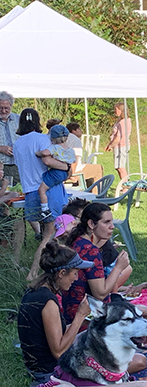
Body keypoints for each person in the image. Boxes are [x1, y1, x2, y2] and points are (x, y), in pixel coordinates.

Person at [17, 241, 93, 387]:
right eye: (75, 273)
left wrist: (85, 321)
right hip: (47, 372)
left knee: (92, 335)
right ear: (61, 273)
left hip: (37, 367)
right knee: (136, 362)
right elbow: (58, 352)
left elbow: (50, 334)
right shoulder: (48, 302)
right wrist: (79, 315)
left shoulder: (35, 291)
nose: (76, 278)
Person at [13, 108, 70, 281]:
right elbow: (48, 160)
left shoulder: (17, 143)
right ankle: (34, 274)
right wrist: (66, 167)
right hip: (49, 190)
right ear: (37, 121)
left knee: (49, 232)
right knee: (51, 234)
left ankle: (52, 270)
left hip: (30, 191)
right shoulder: (43, 139)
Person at [62, 203, 130, 324]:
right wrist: (118, 267)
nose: (112, 226)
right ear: (91, 224)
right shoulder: (90, 251)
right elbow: (100, 294)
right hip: (87, 320)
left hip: (71, 312)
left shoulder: (77, 241)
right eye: (106, 222)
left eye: (112, 222)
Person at [35, 124, 76, 220]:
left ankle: (45, 210)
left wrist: (38, 153)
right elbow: (73, 160)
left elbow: (45, 153)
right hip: (65, 172)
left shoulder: (55, 148)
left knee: (41, 190)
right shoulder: (70, 150)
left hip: (55, 172)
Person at [66, 122, 103, 188]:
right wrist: (73, 174)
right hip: (74, 170)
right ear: (74, 131)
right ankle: (96, 194)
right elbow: (75, 158)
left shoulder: (64, 138)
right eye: (79, 129)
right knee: (98, 168)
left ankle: (89, 189)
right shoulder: (75, 140)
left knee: (90, 168)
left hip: (64, 168)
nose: (81, 131)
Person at [105, 102, 131, 181]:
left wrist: (111, 146)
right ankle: (123, 185)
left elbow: (118, 138)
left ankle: (125, 186)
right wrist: (110, 144)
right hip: (119, 146)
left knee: (121, 167)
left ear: (121, 110)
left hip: (121, 146)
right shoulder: (120, 120)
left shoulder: (123, 122)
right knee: (118, 167)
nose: (114, 111)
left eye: (116, 109)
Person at [0, 91, 21, 184]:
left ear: (11, 106)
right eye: (0, 108)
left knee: (18, 193)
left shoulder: (19, 119)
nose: (3, 111)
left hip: (18, 165)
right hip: (1, 166)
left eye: (6, 108)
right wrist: (1, 148)